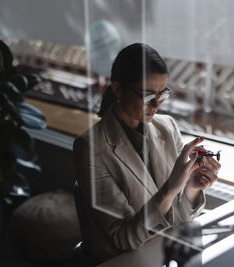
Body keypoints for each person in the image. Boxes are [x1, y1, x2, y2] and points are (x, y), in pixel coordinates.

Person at [73, 43, 220, 262]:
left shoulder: (167, 127)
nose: (157, 104)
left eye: (163, 94)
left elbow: (177, 218)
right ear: (117, 89)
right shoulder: (90, 147)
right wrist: (171, 188)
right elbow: (124, 238)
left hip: (162, 252)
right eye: (147, 95)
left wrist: (191, 187)